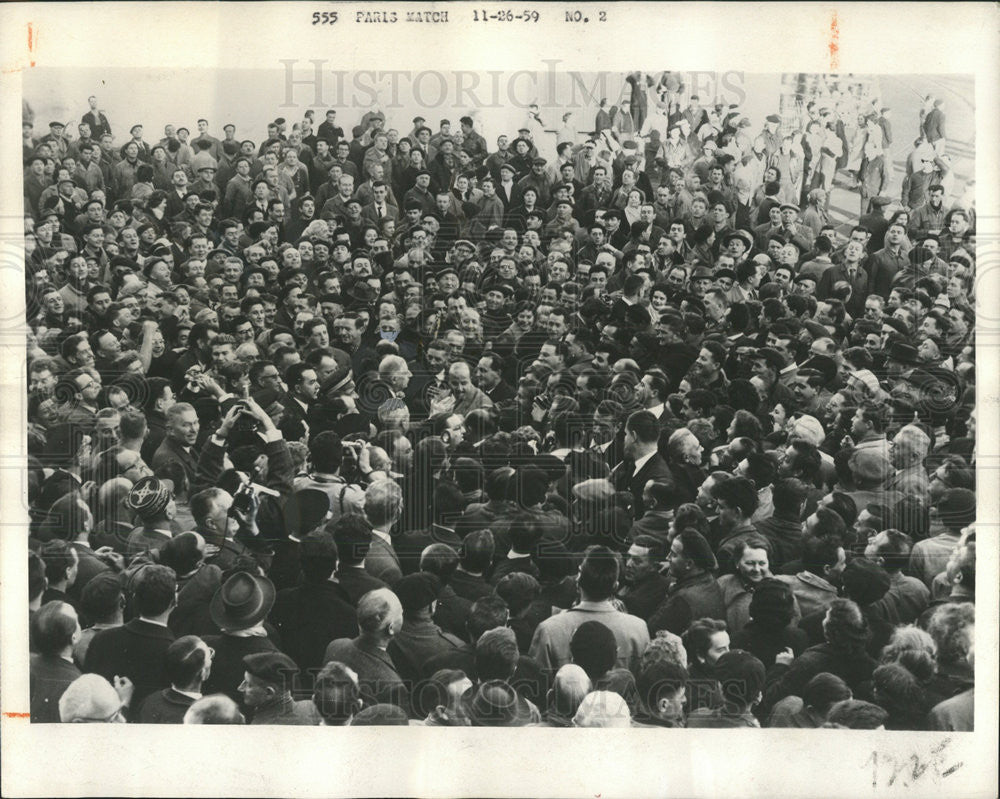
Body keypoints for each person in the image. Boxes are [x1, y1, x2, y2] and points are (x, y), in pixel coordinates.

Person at [529, 545, 650, 674]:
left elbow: (537, 681)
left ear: (578, 581)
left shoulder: (549, 630)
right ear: (615, 586)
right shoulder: (638, 629)